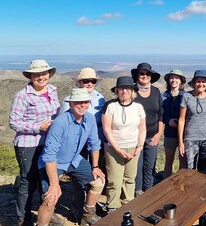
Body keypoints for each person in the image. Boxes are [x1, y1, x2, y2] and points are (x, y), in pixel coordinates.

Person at [36, 88, 105, 226]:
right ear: (71, 103)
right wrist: (55, 185)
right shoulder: (60, 123)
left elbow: (94, 144)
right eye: (78, 102)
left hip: (74, 159)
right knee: (51, 197)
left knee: (99, 181)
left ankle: (87, 214)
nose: (82, 105)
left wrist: (95, 166)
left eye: (85, 102)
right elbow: (50, 156)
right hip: (55, 162)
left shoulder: (90, 119)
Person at [9, 59, 61, 226]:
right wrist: (37, 127)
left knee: (44, 180)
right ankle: (23, 219)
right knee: (28, 181)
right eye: (37, 74)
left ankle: (45, 212)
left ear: (49, 74)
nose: (41, 77)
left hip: (48, 143)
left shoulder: (53, 90)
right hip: (28, 144)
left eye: (44, 73)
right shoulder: (23, 95)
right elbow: (14, 122)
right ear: (30, 76)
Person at [60, 67, 106, 221]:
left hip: (95, 144)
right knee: (78, 179)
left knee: (94, 175)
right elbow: (61, 125)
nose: (89, 83)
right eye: (86, 80)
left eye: (92, 80)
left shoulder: (100, 98)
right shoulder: (69, 100)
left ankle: (89, 209)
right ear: (79, 82)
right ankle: (77, 208)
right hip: (75, 146)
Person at [102, 76, 146, 213]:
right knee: (114, 179)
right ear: (117, 90)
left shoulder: (138, 107)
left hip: (133, 147)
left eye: (127, 88)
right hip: (113, 147)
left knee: (130, 178)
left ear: (132, 91)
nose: (124, 91)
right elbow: (107, 129)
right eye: (121, 88)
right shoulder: (110, 106)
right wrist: (117, 148)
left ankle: (128, 203)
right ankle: (113, 206)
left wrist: (140, 146)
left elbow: (142, 128)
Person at [131, 63, 164, 195]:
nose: (145, 76)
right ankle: (138, 190)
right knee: (137, 166)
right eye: (142, 73)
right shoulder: (132, 91)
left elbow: (161, 114)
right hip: (135, 136)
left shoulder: (156, 91)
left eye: (147, 74)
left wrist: (159, 134)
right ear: (137, 76)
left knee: (150, 165)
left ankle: (148, 190)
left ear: (151, 77)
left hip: (152, 135)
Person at [178, 70, 206, 171]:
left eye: (203, 81)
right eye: (198, 81)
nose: (201, 84)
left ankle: (201, 187)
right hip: (191, 138)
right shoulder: (187, 96)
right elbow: (181, 119)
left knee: (203, 168)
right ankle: (190, 187)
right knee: (189, 168)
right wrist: (180, 142)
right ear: (194, 83)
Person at [162, 69, 187, 178]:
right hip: (169, 133)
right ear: (168, 80)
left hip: (184, 133)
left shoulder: (186, 96)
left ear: (181, 81)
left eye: (177, 78)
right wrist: (168, 121)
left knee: (183, 160)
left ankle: (181, 183)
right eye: (172, 78)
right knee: (169, 160)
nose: (174, 80)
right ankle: (165, 182)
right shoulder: (163, 96)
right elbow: (159, 113)